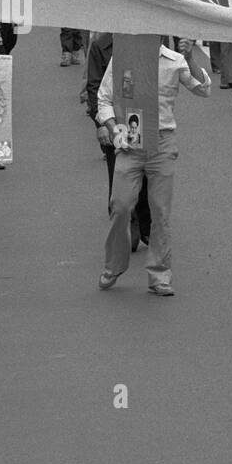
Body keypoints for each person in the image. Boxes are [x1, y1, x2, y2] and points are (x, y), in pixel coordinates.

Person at [96, 37, 212, 296]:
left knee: (160, 211)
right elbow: (103, 99)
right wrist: (114, 130)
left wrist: (191, 57)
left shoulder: (174, 61)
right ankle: (114, 264)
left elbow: (203, 89)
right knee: (121, 205)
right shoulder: (123, 59)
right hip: (130, 140)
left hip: (162, 142)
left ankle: (159, 275)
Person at [86, 32, 153, 252]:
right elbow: (94, 88)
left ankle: (146, 224)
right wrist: (101, 126)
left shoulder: (148, 40)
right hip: (113, 121)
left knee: (145, 176)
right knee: (119, 179)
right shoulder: (100, 45)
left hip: (140, 119)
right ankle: (126, 225)